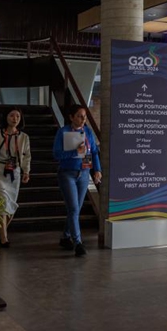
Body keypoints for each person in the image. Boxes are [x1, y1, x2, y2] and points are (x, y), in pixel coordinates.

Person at [53, 105, 101, 257]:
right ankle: (78, 242)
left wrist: (97, 170)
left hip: (84, 173)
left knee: (76, 209)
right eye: (80, 116)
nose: (83, 119)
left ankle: (66, 236)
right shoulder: (63, 132)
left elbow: (93, 152)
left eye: (85, 116)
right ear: (71, 117)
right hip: (67, 173)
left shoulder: (87, 131)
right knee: (73, 208)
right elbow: (57, 154)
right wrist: (75, 151)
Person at [0, 108, 31, 247]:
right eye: (12, 115)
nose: (15, 118)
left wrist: (26, 171)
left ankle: (1, 231)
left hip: (14, 173)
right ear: (6, 117)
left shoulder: (24, 137)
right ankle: (4, 238)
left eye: (18, 116)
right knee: (3, 202)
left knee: (10, 206)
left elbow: (27, 156)